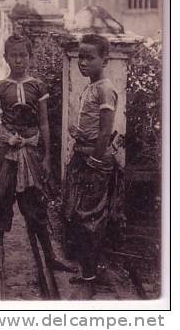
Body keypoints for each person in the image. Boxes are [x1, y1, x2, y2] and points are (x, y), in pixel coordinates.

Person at [0, 35, 75, 274]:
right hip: (7, 151)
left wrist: (46, 156)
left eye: (23, 55)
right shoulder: (0, 87)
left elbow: (44, 123)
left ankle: (50, 255)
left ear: (30, 57)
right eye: (13, 55)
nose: (19, 60)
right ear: (6, 58)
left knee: (36, 203)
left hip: (32, 150)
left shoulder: (38, 86)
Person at [64, 34, 124, 292]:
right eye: (81, 57)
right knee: (78, 215)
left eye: (90, 57)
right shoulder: (90, 87)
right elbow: (90, 127)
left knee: (89, 217)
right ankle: (87, 271)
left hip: (94, 161)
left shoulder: (105, 89)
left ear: (105, 60)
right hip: (83, 156)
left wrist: (95, 160)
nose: (83, 62)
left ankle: (91, 274)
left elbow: (105, 131)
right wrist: (77, 133)